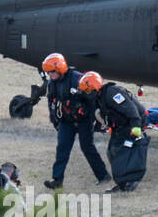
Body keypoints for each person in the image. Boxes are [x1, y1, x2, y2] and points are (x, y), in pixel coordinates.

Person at [39, 52, 109, 190]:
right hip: (66, 121)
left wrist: (96, 119)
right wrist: (55, 120)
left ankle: (103, 176)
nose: (50, 75)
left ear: (60, 69)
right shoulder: (52, 84)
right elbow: (51, 102)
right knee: (62, 149)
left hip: (84, 120)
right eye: (48, 73)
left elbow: (93, 97)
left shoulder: (77, 79)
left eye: (52, 72)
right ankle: (57, 180)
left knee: (87, 147)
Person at [78, 71, 147, 192]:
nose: (86, 94)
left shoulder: (112, 93)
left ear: (94, 87)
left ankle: (129, 182)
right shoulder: (99, 97)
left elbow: (130, 109)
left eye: (87, 91)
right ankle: (122, 183)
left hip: (132, 123)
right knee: (111, 152)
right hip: (120, 125)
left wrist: (136, 126)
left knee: (120, 152)